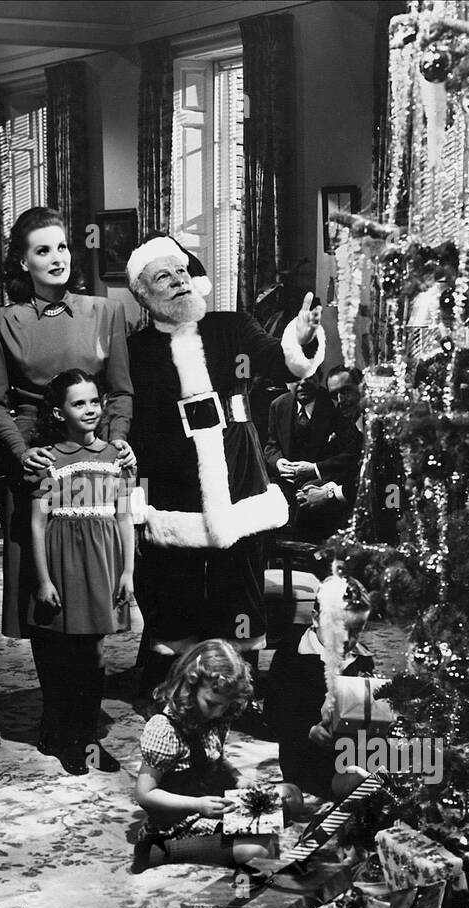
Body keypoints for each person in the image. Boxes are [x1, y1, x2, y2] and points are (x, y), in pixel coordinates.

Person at [124, 236, 326, 685]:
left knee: (241, 588)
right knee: (176, 589)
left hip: (238, 477)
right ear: (143, 294)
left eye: (181, 273)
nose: (178, 282)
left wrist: (302, 338)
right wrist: (136, 502)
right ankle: (177, 688)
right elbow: (131, 427)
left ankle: (239, 687)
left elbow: (280, 362)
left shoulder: (230, 327)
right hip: (173, 483)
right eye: (164, 277)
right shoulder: (137, 351)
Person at [0, 207, 135, 750]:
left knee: (94, 593)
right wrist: (23, 454)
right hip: (37, 465)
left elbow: (119, 390)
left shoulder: (105, 312)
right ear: (22, 261)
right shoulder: (1, 322)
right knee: (44, 603)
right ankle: (55, 715)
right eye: (42, 250)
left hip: (93, 462)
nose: (57, 258)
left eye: (63, 247)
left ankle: (85, 721)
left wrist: (116, 440)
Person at [28, 369, 135, 775]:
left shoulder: (117, 456)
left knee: (94, 654)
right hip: (63, 562)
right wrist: (43, 579)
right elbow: (38, 524)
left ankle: (88, 738)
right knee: (65, 656)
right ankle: (63, 735)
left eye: (94, 401)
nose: (89, 410)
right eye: (78, 403)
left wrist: (127, 572)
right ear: (59, 412)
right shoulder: (49, 460)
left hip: (103, 563)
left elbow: (125, 518)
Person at [131, 639, 303, 872]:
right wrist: (198, 805)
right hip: (177, 821)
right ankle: (157, 851)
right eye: (212, 703)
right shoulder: (165, 728)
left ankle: (225, 831)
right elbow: (144, 794)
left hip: (211, 800)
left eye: (224, 705)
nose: (218, 712)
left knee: (290, 795)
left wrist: (237, 777)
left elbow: (212, 755)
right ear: (190, 684)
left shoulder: (217, 715)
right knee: (259, 848)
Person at [266, 570, 372, 801]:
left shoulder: (362, 659)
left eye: (355, 631)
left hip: (348, 749)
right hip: (305, 756)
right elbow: (274, 713)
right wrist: (308, 730)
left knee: (407, 761)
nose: (346, 639)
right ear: (316, 619)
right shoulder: (291, 654)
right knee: (358, 783)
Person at [293, 365, 365, 542]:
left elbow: (374, 479)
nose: (341, 400)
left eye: (346, 391)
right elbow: (347, 465)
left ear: (364, 388)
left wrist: (328, 494)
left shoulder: (377, 425)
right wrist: (322, 487)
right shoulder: (351, 424)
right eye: (335, 395)